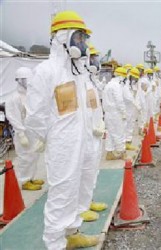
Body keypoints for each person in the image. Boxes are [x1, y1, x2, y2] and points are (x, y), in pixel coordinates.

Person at [25, 10, 99, 249]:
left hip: (82, 140)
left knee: (76, 187)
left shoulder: (76, 73)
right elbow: (35, 115)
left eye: (83, 39)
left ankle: (72, 232)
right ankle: (55, 243)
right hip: (62, 144)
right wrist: (49, 138)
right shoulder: (47, 71)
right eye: (79, 38)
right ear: (62, 38)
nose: (83, 44)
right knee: (61, 194)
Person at [78, 44, 107, 223]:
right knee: (82, 171)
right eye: (93, 58)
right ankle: (80, 208)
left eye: (97, 58)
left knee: (91, 170)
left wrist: (100, 122)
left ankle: (87, 201)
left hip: (95, 134)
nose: (96, 62)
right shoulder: (80, 80)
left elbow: (95, 107)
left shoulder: (91, 80)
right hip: (85, 135)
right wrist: (91, 127)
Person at [5, 67, 44, 191]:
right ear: (20, 81)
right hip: (23, 133)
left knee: (34, 155)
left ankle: (31, 177)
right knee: (25, 156)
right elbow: (13, 116)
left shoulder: (30, 95)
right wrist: (21, 133)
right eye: (26, 80)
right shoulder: (14, 98)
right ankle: (25, 180)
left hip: (32, 131)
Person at [102, 67, 127, 160]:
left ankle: (109, 152)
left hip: (108, 113)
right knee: (119, 132)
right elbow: (119, 100)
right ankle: (122, 152)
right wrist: (123, 112)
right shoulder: (116, 86)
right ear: (121, 76)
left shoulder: (108, 85)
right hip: (116, 113)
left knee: (110, 133)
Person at [122, 65, 140, 150]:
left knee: (131, 123)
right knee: (125, 124)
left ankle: (128, 141)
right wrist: (135, 103)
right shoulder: (125, 84)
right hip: (126, 107)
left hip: (131, 108)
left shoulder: (131, 83)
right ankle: (124, 142)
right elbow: (128, 96)